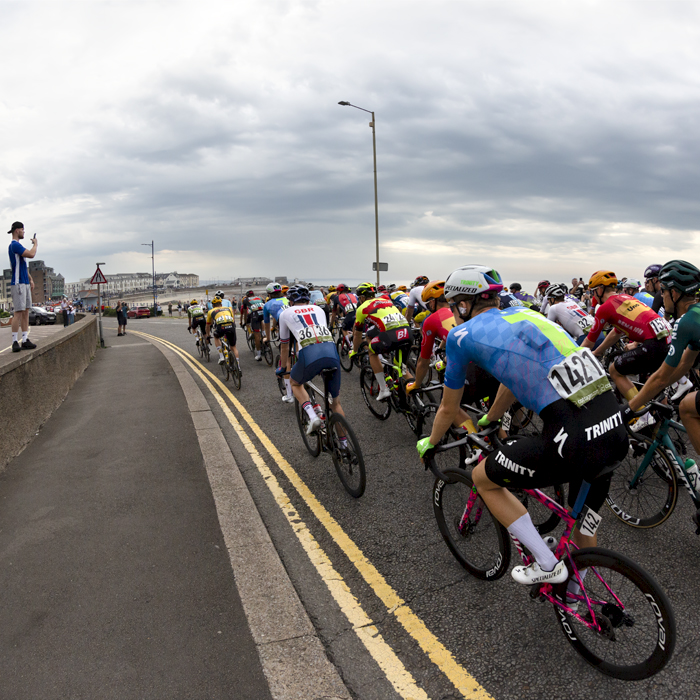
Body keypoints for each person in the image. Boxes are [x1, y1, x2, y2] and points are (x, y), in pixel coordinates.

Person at [417, 264, 628, 586]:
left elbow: (448, 407)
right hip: (614, 433)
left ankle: (546, 563)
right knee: (584, 522)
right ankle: (576, 591)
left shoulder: (461, 336)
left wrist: (431, 442)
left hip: (573, 441)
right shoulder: (531, 315)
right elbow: (514, 378)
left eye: (452, 304)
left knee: (483, 478)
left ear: (463, 304)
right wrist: (490, 418)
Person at [628, 261, 700, 453]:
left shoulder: (685, 322)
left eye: (664, 292)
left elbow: (661, 377)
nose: (662, 296)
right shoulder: (696, 313)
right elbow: (686, 362)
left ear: (674, 294)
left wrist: (630, 408)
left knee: (686, 408)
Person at [581, 270, 671, 403]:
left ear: (600, 290)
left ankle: (641, 411)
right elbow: (617, 332)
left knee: (614, 370)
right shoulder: (628, 298)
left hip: (653, 343)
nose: (593, 296)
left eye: (593, 291)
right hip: (666, 337)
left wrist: (572, 356)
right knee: (652, 382)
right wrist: (597, 352)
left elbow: (588, 342)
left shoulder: (605, 307)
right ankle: (662, 419)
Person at [275, 285, 346, 436]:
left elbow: (284, 346)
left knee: (295, 382)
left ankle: (312, 416)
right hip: (331, 351)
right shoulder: (319, 309)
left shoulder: (285, 313)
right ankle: (344, 444)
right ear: (308, 299)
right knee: (335, 403)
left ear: (291, 301)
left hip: (309, 354)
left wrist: (282, 368)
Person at [349, 282, 412, 401]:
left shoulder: (362, 308)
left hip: (390, 335)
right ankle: (415, 393)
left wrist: (354, 351)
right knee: (401, 368)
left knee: (372, 352)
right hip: (407, 332)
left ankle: (383, 389)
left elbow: (357, 334)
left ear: (362, 297)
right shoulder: (386, 300)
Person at [7, 221, 37, 352]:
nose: (24, 232)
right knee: (18, 312)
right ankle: (14, 341)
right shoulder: (14, 245)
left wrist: (30, 279)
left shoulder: (18, 246)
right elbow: (31, 254)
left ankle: (24, 339)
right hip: (18, 283)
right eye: (23, 230)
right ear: (17, 230)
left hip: (24, 282)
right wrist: (36, 244)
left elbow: (23, 266)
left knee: (25, 312)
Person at [206, 296, 240, 366]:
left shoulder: (211, 311)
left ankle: (221, 357)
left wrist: (208, 335)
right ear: (221, 304)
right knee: (233, 347)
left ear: (213, 305)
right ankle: (238, 366)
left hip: (221, 327)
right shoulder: (228, 309)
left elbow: (208, 325)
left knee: (216, 337)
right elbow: (232, 319)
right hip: (231, 326)